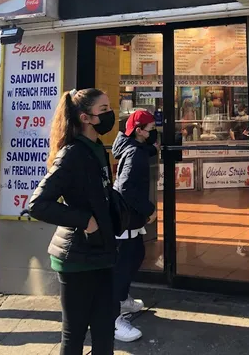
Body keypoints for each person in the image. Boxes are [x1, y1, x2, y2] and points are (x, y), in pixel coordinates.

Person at [28, 89, 117, 355]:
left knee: (104, 328)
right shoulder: (72, 154)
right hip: (76, 257)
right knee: (74, 334)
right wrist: (84, 221)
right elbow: (38, 204)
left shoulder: (98, 148)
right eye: (103, 109)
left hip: (102, 252)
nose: (111, 114)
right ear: (85, 117)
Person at [113, 110, 158, 343]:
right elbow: (127, 188)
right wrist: (148, 209)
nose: (154, 133)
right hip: (127, 218)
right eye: (151, 129)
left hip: (128, 219)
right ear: (139, 131)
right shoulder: (134, 154)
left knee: (136, 254)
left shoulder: (133, 148)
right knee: (125, 263)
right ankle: (113, 316)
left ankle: (122, 300)